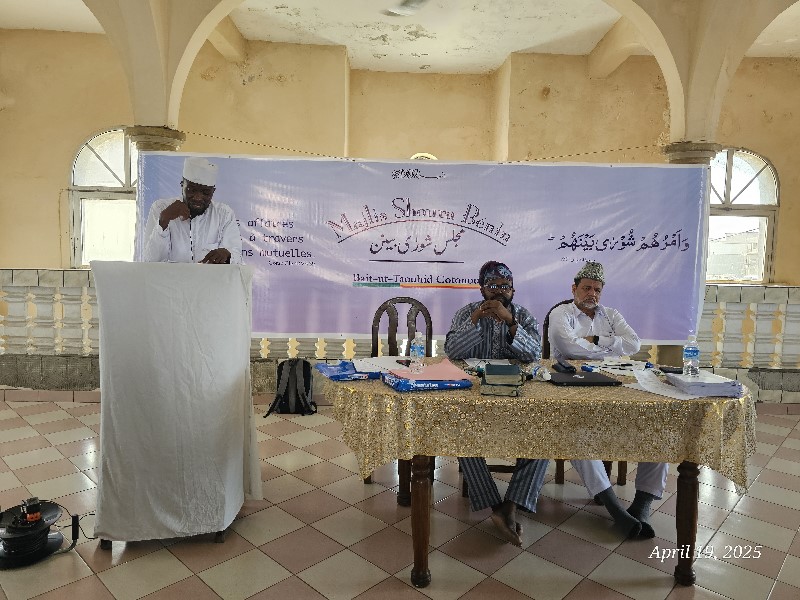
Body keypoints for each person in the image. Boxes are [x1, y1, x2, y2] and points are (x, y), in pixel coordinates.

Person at [547, 261, 668, 538]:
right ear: (574, 288)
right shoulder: (561, 313)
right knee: (574, 432)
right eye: (586, 288)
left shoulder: (611, 314)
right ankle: (615, 508)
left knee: (658, 425)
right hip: (574, 385)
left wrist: (595, 339)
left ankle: (641, 505)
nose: (592, 294)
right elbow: (567, 346)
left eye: (597, 290)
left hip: (616, 383)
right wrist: (610, 346)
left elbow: (634, 344)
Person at [444, 260, 547, 546]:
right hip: (475, 397)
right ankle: (494, 504)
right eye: (493, 286)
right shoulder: (466, 313)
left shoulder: (522, 315)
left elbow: (534, 354)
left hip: (516, 396)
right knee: (461, 435)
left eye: (505, 286)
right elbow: (452, 352)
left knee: (545, 437)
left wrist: (510, 322)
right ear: (482, 290)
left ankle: (510, 505)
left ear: (513, 290)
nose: (500, 292)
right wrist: (476, 319)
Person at [143, 156, 242, 264]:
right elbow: (150, 261)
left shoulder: (224, 214)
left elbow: (237, 258)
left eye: (205, 192)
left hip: (209, 276)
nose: (198, 198)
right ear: (182, 186)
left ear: (213, 192)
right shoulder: (160, 208)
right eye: (191, 190)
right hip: (170, 276)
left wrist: (227, 255)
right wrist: (164, 220)